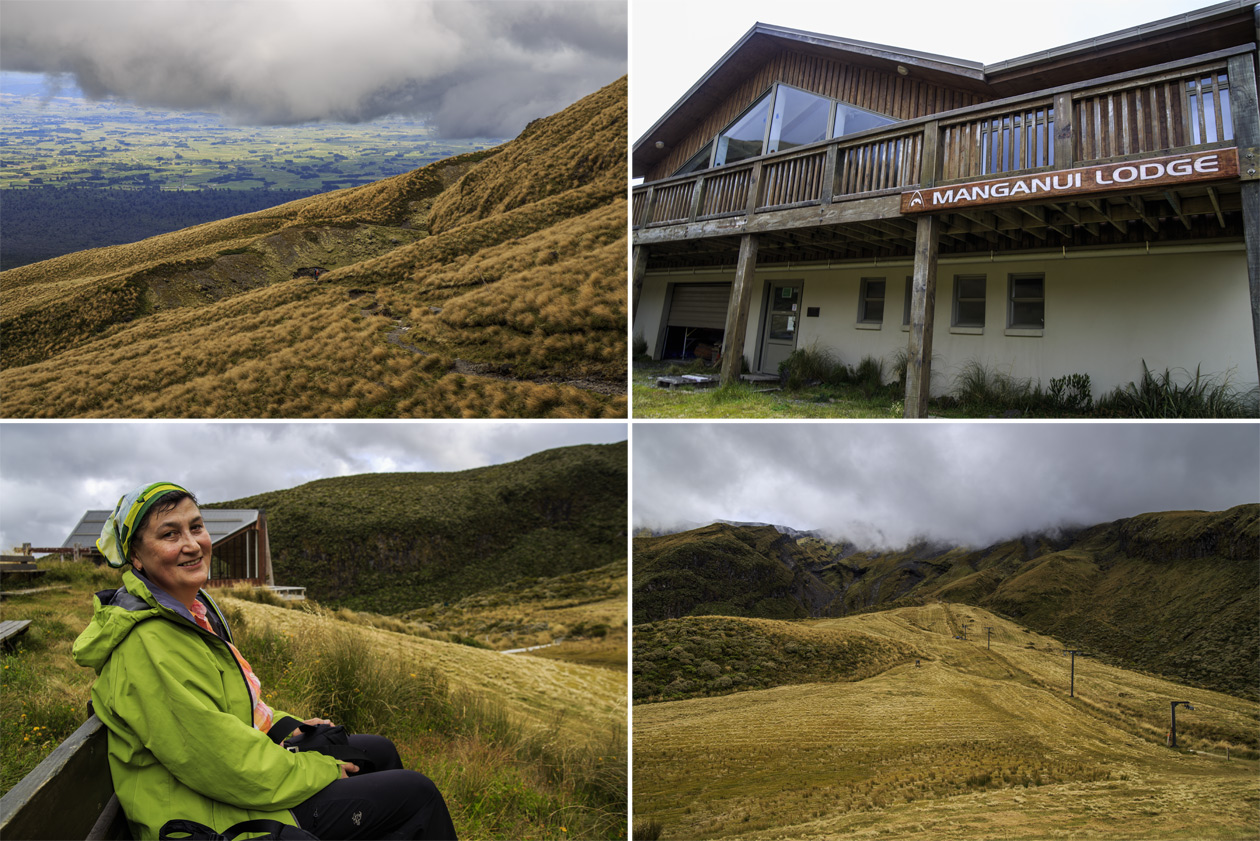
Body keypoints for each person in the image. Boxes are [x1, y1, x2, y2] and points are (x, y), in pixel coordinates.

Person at [73, 482, 458, 840]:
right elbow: (220, 762)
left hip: (220, 786)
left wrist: (285, 727)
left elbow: (224, 715)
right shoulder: (148, 645)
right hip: (208, 816)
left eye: (196, 527)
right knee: (417, 794)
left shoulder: (187, 613)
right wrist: (319, 771)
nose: (192, 544)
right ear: (137, 557)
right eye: (170, 534)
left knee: (377, 750)